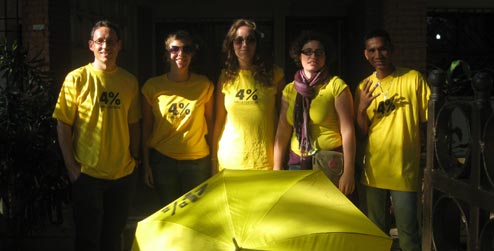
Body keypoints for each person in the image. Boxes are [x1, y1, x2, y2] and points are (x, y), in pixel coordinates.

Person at [53, 20, 140, 251]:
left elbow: (133, 124)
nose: (106, 46)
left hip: (122, 175)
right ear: (91, 45)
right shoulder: (77, 78)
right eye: (100, 41)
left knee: (113, 237)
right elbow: (63, 124)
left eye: (111, 41)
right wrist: (72, 168)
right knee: (87, 239)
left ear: (119, 45)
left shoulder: (129, 82)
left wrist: (135, 159)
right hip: (87, 174)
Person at [355, 29, 430, 251]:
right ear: (366, 54)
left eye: (382, 48)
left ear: (392, 49)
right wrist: (361, 108)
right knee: (377, 233)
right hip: (374, 170)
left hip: (404, 168)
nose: (378, 54)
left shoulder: (412, 78)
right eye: (372, 50)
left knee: (408, 232)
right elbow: (362, 132)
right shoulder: (363, 87)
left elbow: (430, 119)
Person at [273, 31, 356, 196]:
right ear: (299, 55)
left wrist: (349, 171)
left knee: (327, 217)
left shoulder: (336, 86)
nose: (313, 56)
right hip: (297, 162)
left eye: (319, 52)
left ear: (326, 57)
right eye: (308, 51)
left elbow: (347, 130)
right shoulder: (290, 90)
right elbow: (283, 129)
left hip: (329, 165)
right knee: (299, 216)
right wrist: (276, 166)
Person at [141, 30, 214, 205]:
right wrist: (146, 165)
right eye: (175, 49)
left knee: (196, 213)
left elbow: (211, 123)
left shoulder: (204, 85)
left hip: (197, 161)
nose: (181, 54)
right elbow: (146, 129)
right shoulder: (152, 87)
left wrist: (214, 161)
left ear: (192, 54)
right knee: (169, 213)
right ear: (167, 54)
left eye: (186, 49)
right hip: (163, 161)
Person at [212, 19, 284, 172]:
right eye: (238, 40)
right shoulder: (225, 77)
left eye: (250, 40)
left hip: (265, 162)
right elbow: (218, 121)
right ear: (232, 44)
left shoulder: (275, 75)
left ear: (257, 44)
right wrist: (213, 162)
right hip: (230, 161)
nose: (244, 45)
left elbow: (284, 123)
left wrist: (279, 162)